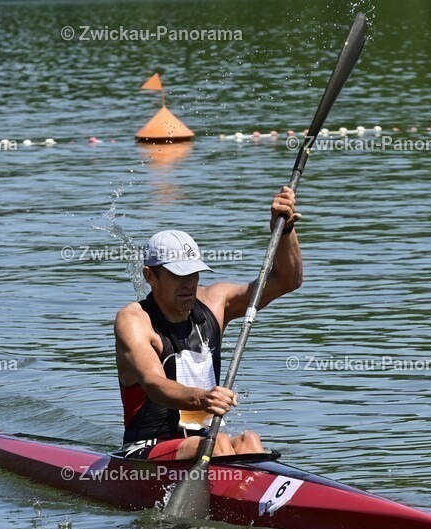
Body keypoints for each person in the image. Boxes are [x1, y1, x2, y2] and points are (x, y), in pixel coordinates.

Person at [114, 187, 302, 460]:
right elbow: (154, 384)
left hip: (204, 443)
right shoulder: (134, 320)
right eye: (177, 275)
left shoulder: (215, 303)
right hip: (144, 450)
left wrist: (285, 230)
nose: (188, 284)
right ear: (150, 276)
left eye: (193, 274)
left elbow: (287, 281)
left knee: (249, 440)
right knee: (218, 443)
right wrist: (202, 398)